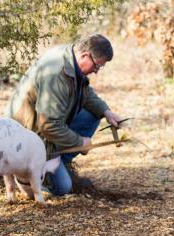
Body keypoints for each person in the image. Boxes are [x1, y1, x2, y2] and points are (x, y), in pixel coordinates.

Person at [6, 33, 122, 196]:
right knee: (63, 187)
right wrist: (80, 142)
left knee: (93, 115)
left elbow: (85, 92)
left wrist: (106, 112)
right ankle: (26, 177)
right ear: (85, 56)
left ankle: (59, 161)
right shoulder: (57, 74)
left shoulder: (71, 57)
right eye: (96, 66)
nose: (96, 72)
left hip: (44, 127)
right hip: (28, 136)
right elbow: (48, 125)